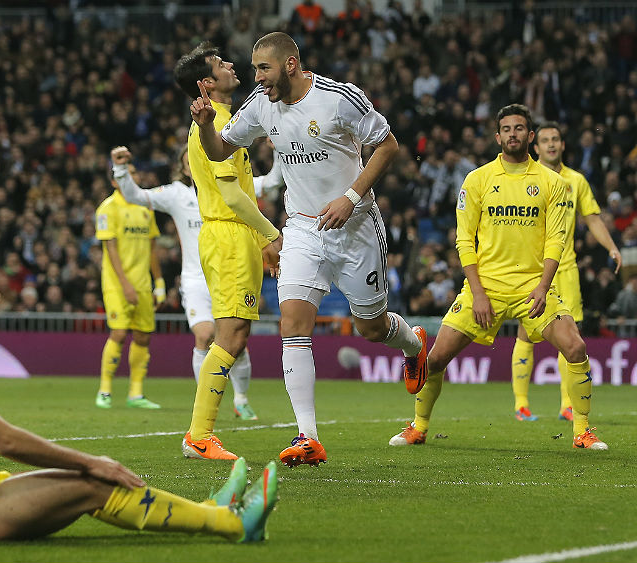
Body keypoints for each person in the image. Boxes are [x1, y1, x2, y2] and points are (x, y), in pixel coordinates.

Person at [0, 249, 278, 542]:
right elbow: (3, 439)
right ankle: (230, 524)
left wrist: (88, 464)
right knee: (95, 482)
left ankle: (210, 509)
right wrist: (93, 462)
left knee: (89, 478)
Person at [192, 31, 427, 467]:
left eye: (263, 68)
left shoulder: (338, 98)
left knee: (370, 327)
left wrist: (351, 197)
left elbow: (388, 144)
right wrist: (207, 126)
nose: (256, 77)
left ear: (291, 65)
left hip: (356, 224)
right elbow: (221, 149)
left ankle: (413, 345)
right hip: (302, 227)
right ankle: (308, 436)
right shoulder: (262, 104)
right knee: (292, 324)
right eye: (254, 68)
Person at [389, 104, 608, 451]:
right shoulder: (477, 179)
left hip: (533, 285)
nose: (513, 134)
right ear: (497, 136)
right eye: (506, 129)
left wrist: (542, 286)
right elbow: (464, 240)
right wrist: (477, 293)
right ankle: (418, 427)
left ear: (530, 137)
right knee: (435, 359)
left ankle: (582, 431)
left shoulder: (552, 183)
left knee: (576, 347)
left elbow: (557, 240)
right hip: (486, 284)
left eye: (519, 128)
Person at [173, 42, 284, 460]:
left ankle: (199, 434)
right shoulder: (216, 125)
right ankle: (199, 435)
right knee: (231, 336)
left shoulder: (225, 121)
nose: (231, 65)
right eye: (220, 65)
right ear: (206, 83)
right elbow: (234, 197)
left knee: (235, 336)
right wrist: (272, 235)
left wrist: (261, 243)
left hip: (235, 236)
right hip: (228, 234)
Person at [112, 144, 260, 420]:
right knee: (205, 336)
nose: (194, 165)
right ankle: (205, 403)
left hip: (229, 276)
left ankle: (241, 399)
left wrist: (277, 150)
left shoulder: (232, 185)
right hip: (196, 280)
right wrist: (120, 169)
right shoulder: (176, 195)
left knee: (236, 343)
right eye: (189, 161)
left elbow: (272, 182)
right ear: (183, 168)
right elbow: (134, 195)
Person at [509, 122, 622, 422]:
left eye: (555, 139)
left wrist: (611, 246)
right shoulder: (525, 179)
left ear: (562, 144)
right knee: (525, 331)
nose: (551, 144)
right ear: (536, 146)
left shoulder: (576, 181)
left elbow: (593, 218)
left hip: (565, 269)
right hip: (532, 270)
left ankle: (566, 406)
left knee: (569, 337)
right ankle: (521, 404)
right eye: (545, 140)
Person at [94, 164, 165, 409]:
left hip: (143, 284)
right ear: (115, 182)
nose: (134, 176)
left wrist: (159, 282)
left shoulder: (145, 207)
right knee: (120, 332)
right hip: (116, 284)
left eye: (135, 173)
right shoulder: (107, 208)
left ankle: (136, 394)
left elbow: (153, 247)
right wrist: (125, 285)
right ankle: (104, 390)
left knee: (143, 336)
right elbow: (110, 248)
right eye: (128, 174)